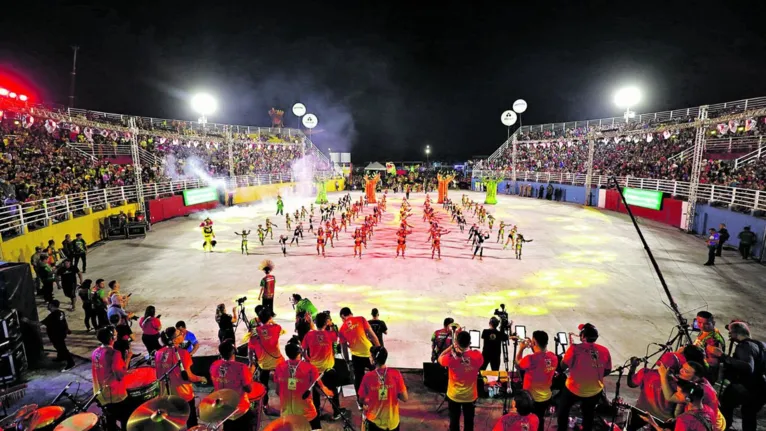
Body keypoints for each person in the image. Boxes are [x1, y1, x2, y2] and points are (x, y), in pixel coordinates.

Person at [710, 321, 766, 431]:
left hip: (746, 387)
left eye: (730, 333)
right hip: (761, 388)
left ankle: (724, 428)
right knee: (749, 414)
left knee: (725, 405)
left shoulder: (744, 346)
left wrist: (723, 356)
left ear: (737, 333)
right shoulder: (762, 345)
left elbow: (748, 367)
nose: (729, 335)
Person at [556, 323, 612, 431]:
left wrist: (567, 354)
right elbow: (607, 371)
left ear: (583, 336)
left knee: (563, 409)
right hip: (595, 391)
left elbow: (563, 367)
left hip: (574, 389)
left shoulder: (574, 349)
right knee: (589, 413)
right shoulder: (604, 350)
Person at [274, 340, 332, 430]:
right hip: (307, 414)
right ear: (300, 352)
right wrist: (330, 393)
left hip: (286, 414)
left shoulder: (279, 368)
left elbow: (277, 391)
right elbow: (321, 391)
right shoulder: (311, 368)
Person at [155, 327, 207, 428]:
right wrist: (201, 378)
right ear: (174, 340)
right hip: (183, 394)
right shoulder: (183, 354)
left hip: (166, 395)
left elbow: (158, 375)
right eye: (180, 334)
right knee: (191, 421)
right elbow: (189, 377)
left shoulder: (158, 353)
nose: (183, 334)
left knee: (173, 422)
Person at [439, 331, 484, 431]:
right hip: (470, 396)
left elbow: (440, 357)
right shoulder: (477, 356)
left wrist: (452, 347)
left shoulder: (451, 359)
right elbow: (473, 357)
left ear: (456, 343)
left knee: (454, 422)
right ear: (470, 343)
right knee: (469, 422)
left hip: (454, 395)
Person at [302, 312, 343, 420]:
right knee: (333, 389)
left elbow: (303, 350)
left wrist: (308, 359)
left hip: (314, 369)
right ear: (326, 323)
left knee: (316, 392)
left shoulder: (309, 335)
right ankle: (336, 412)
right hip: (328, 369)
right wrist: (331, 324)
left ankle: (317, 411)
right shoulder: (330, 335)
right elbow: (336, 335)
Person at [358, 346, 409, 431]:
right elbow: (405, 398)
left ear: (373, 360)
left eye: (370, 356)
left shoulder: (367, 377)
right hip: (393, 423)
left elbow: (361, 400)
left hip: (375, 422)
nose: (369, 358)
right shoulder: (396, 374)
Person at [515, 330, 558, 431]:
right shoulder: (554, 357)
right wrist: (534, 346)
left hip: (530, 399)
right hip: (546, 397)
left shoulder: (531, 359)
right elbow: (541, 355)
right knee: (539, 420)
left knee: (528, 421)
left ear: (534, 342)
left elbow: (518, 364)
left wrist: (521, 348)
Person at [210, 340, 255, 431]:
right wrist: (250, 373)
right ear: (233, 352)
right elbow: (248, 389)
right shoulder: (241, 367)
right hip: (240, 410)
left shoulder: (214, 365)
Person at [338, 307, 381, 404]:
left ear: (342, 316)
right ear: (351, 313)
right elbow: (373, 336)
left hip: (356, 356)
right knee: (377, 375)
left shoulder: (341, 329)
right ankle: (379, 397)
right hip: (369, 352)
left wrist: (347, 361)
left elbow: (344, 348)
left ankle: (360, 401)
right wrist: (379, 350)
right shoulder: (361, 319)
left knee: (358, 380)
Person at [92, 327, 130, 430]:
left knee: (110, 419)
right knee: (125, 418)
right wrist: (127, 359)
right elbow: (119, 375)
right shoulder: (114, 354)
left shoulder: (95, 352)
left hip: (101, 393)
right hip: (114, 394)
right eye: (115, 333)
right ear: (111, 337)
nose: (117, 334)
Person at [249, 309, 285, 416]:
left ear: (259, 319)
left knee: (264, 384)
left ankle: (264, 405)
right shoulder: (276, 328)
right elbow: (278, 328)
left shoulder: (255, 333)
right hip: (278, 362)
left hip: (263, 364)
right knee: (283, 383)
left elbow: (250, 350)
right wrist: (271, 322)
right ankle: (286, 404)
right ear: (270, 318)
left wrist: (252, 361)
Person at [642, 382, 716, 431]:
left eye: (680, 393)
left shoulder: (684, 419)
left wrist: (652, 423)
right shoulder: (710, 411)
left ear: (688, 399)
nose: (676, 394)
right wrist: (676, 421)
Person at [40, 300, 76, 371]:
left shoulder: (52, 316)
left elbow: (39, 324)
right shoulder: (61, 312)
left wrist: (27, 321)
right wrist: (67, 329)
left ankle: (71, 363)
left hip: (56, 335)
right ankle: (60, 357)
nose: (48, 306)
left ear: (51, 306)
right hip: (61, 333)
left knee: (62, 348)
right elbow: (64, 321)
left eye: (49, 304)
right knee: (57, 346)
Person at [693, 311, 725, 384]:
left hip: (704, 377)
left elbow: (713, 363)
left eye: (706, 324)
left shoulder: (712, 340)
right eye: (699, 322)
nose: (702, 326)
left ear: (713, 323)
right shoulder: (706, 331)